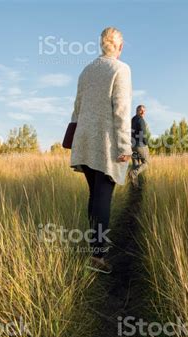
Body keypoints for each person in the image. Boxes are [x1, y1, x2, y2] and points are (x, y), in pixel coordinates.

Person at [70, 27, 132, 274]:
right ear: (120, 46)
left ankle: (96, 247)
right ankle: (98, 256)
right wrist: (125, 147)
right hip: (105, 144)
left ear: (101, 45)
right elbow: (121, 111)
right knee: (103, 198)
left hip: (84, 141)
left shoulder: (86, 71)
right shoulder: (120, 69)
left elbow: (76, 107)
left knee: (94, 196)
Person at [129, 105, 150, 187]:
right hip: (140, 145)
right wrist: (146, 143)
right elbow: (143, 133)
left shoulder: (132, 120)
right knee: (146, 163)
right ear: (137, 111)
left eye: (144, 111)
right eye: (141, 110)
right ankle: (133, 174)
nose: (143, 112)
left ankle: (135, 186)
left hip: (132, 146)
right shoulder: (141, 120)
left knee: (136, 165)